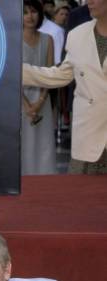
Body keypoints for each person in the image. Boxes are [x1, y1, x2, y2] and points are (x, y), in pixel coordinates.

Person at [23, 0, 107, 174]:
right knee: (82, 197)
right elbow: (62, 74)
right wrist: (15, 70)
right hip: (88, 136)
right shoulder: (78, 35)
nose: (89, 1)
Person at [22, 0, 56, 174]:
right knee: (23, 145)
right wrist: (27, 105)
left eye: (34, 11)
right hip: (19, 101)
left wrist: (40, 102)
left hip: (42, 100)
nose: (30, 16)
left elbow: (50, 74)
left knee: (44, 146)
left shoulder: (48, 39)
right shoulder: (13, 39)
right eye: (25, 12)